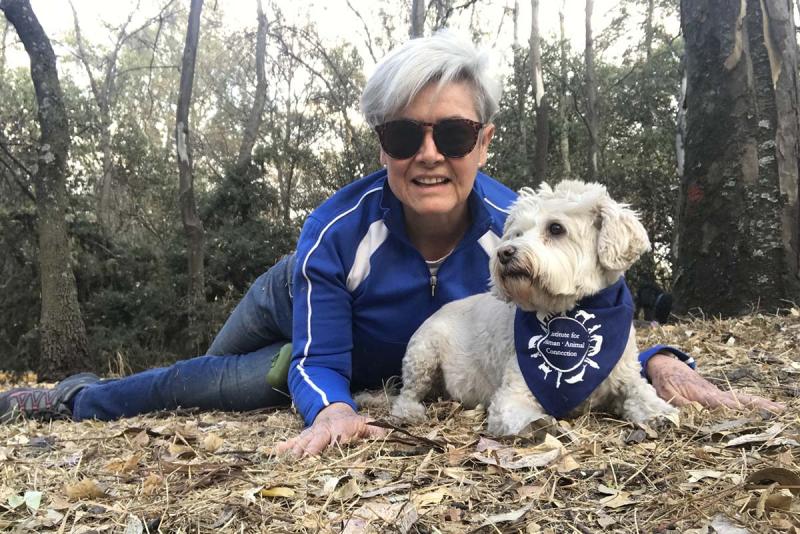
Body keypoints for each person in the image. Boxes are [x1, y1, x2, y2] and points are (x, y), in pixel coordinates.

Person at [0, 33, 784, 455]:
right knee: (223, 381)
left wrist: (659, 361)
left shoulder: (516, 224)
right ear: (382, 144)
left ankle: (92, 394)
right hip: (303, 289)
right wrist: (332, 408)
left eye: (452, 132)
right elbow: (317, 360)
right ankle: (72, 398)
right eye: (405, 133)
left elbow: (588, 305)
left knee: (246, 390)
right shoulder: (339, 229)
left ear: (484, 141)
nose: (429, 152)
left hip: (392, 340)